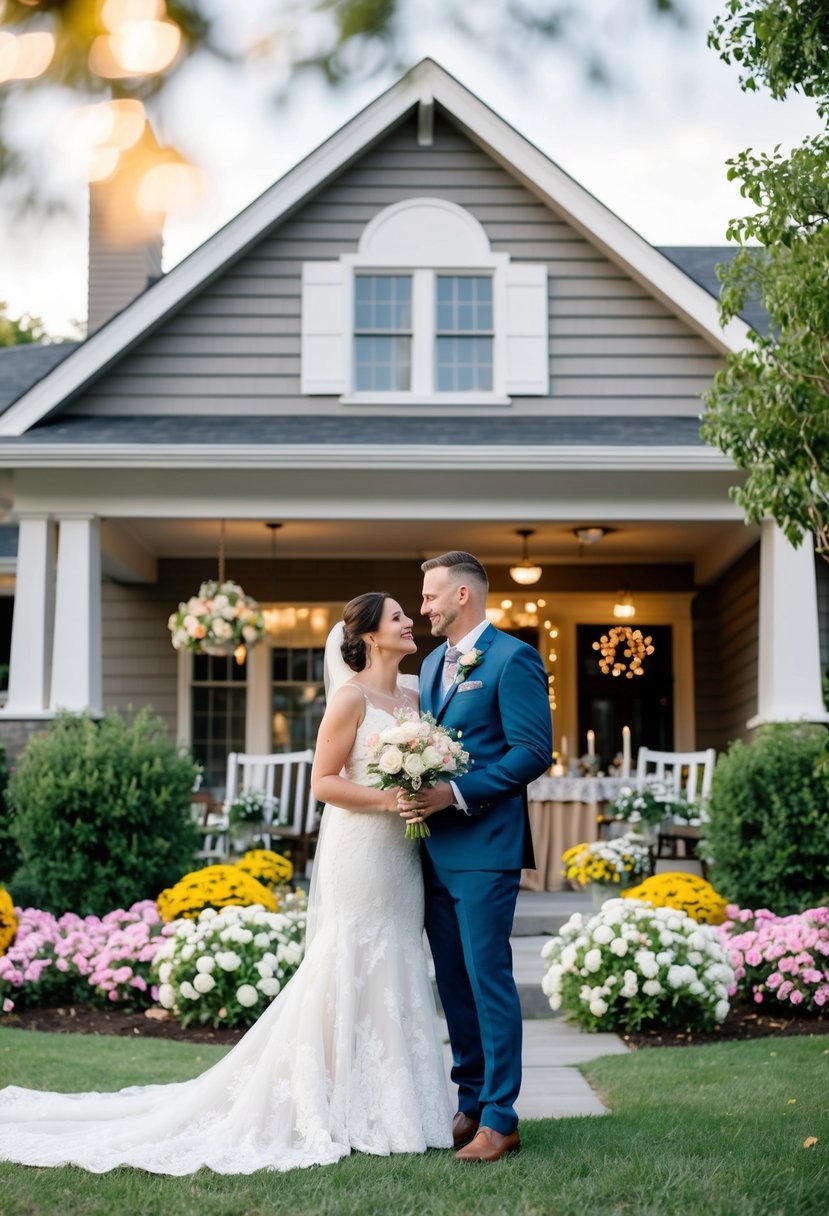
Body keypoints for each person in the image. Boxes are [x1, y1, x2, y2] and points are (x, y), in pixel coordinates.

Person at [0, 592, 453, 1174]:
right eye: (397, 617)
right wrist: (390, 799)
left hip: (402, 855)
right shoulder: (350, 698)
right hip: (362, 849)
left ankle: (399, 1106)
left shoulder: (416, 692)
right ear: (368, 636)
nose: (409, 621)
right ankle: (341, 1102)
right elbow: (323, 783)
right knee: (352, 958)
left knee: (397, 958)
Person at [407, 551, 553, 1163]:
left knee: (488, 978)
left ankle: (502, 1117)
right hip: (430, 851)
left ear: (463, 595)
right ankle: (469, 1101)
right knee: (455, 983)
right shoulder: (434, 662)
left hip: (485, 848)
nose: (423, 607)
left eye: (431, 596)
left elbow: (531, 753)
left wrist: (455, 793)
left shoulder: (513, 658)